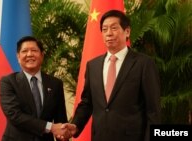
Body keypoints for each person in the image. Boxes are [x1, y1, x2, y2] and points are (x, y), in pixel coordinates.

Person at [61, 10, 161, 141]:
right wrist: (75, 125)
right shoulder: (93, 66)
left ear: (127, 32)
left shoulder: (144, 64)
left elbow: (153, 111)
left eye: (114, 28)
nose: (109, 33)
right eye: (104, 29)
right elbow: (87, 103)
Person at [0, 36, 69, 141]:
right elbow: (14, 115)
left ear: (42, 55)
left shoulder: (55, 84)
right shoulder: (8, 82)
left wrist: (63, 135)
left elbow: (61, 121)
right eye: (24, 51)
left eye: (34, 50)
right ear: (18, 57)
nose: (29, 54)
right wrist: (50, 127)